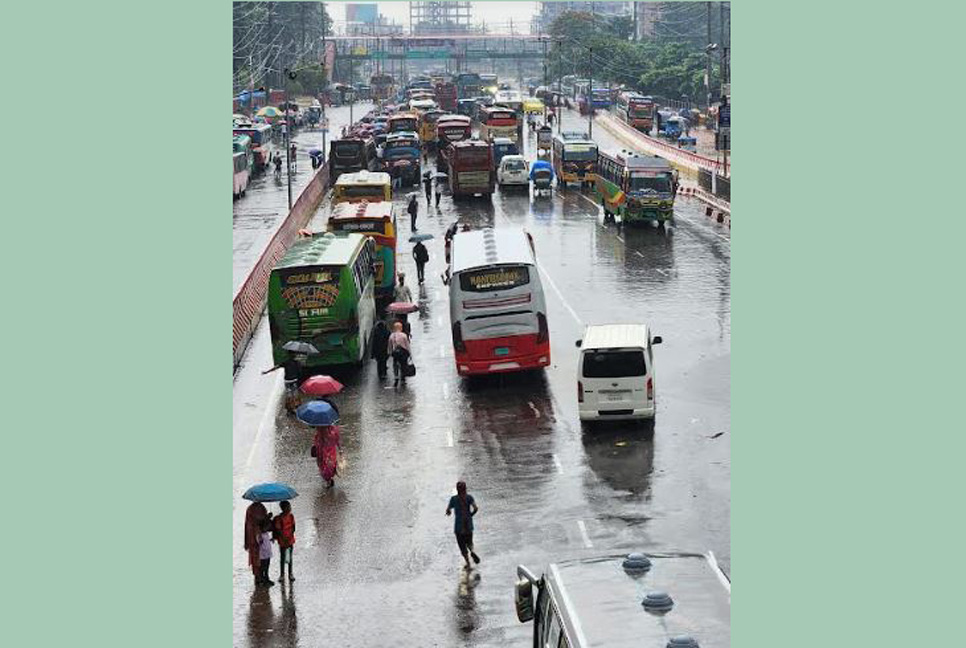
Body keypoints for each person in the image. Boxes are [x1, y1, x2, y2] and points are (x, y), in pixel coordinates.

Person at [446, 481, 480, 569]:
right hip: (468, 524)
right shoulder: (469, 498)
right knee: (469, 542)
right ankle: (472, 550)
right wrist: (470, 515)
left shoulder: (454, 499)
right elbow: (476, 508)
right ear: (465, 489)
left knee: (462, 545)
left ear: (457, 489)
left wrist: (448, 512)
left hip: (459, 526)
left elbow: (448, 510)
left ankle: (468, 563)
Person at [244, 501, 269, 586]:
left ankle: (262, 576)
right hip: (253, 535)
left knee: (262, 557)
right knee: (256, 557)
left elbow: (264, 521)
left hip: (258, 534)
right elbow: (253, 522)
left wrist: (267, 517)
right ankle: (258, 577)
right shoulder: (251, 509)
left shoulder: (261, 507)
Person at [273, 501, 296, 583]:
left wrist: (290, 537)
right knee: (282, 557)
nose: (290, 508)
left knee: (290, 557)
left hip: (290, 540)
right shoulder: (279, 518)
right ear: (283, 508)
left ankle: (290, 573)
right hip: (283, 541)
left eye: (289, 507)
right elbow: (278, 530)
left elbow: (293, 527)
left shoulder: (291, 516)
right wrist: (284, 538)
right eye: (288, 507)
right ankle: (282, 574)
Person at [388, 321, 411, 386]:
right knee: (403, 365)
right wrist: (409, 353)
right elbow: (407, 345)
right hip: (403, 353)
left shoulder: (392, 336)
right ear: (401, 328)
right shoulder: (404, 335)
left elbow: (389, 346)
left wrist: (389, 353)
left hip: (395, 353)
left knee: (395, 364)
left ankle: (396, 377)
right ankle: (403, 378)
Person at [257, 518, 275, 586]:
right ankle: (261, 580)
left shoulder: (266, 533)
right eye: (266, 527)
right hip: (262, 555)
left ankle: (266, 579)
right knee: (262, 567)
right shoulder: (259, 535)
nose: (267, 528)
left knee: (267, 567)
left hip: (267, 554)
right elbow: (259, 542)